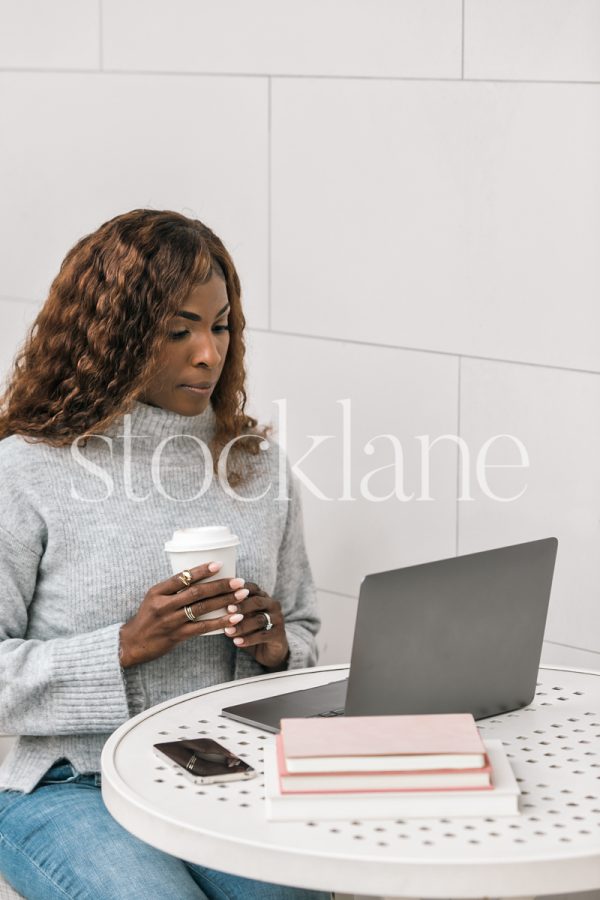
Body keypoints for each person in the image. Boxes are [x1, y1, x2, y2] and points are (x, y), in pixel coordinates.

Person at [0, 210, 330, 899]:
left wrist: (273, 649)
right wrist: (123, 646)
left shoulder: (256, 468)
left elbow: (302, 634)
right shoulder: (26, 472)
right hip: (67, 782)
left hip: (225, 767)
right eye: (179, 331)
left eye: (221, 326)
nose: (207, 353)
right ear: (113, 337)